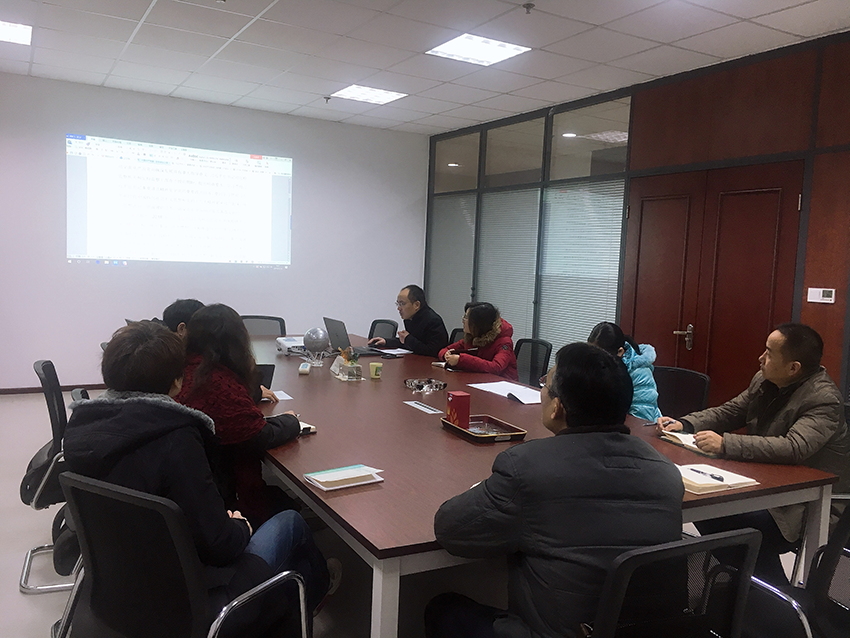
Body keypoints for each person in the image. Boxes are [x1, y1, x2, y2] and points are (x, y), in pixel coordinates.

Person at [63, 321, 331, 636]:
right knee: (291, 523)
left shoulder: (81, 427)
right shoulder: (176, 438)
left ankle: (286, 610)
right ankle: (309, 600)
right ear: (177, 382)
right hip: (192, 601)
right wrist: (240, 527)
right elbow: (220, 546)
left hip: (115, 591)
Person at [426, 343, 684, 638]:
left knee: (443, 609)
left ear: (557, 406)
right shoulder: (665, 471)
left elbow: (450, 530)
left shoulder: (528, 468)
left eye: (545, 385)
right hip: (651, 631)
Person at [657, 323, 850, 586]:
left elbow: (794, 447)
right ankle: (751, 585)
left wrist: (725, 444)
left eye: (769, 353)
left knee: (723, 517)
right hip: (765, 483)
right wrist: (685, 423)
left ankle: (768, 590)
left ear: (793, 368)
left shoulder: (823, 399)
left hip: (803, 504)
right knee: (709, 510)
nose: (761, 358)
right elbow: (730, 412)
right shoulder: (765, 380)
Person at [176, 304, 299, 527]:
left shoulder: (186, 370)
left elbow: (226, 410)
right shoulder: (216, 382)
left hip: (192, 486)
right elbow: (260, 436)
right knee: (293, 518)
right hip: (226, 500)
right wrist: (292, 421)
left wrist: (253, 393)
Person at [588, 321, 661, 422]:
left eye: (601, 357)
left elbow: (642, 418)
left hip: (641, 427)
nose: (595, 361)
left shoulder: (640, 374)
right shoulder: (596, 365)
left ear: (620, 352)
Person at [438, 302, 518, 381]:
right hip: (478, 381)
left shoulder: (504, 342)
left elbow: (496, 367)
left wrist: (461, 360)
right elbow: (444, 350)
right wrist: (446, 355)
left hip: (503, 384)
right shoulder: (472, 337)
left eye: (466, 318)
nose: (463, 321)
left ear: (479, 323)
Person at [367, 284, 449, 358]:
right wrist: (386, 341)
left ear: (416, 305)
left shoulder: (433, 321)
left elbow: (433, 352)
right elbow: (407, 343)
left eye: (402, 304)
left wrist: (408, 338)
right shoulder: (410, 318)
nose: (399, 308)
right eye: (398, 304)